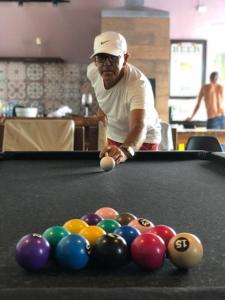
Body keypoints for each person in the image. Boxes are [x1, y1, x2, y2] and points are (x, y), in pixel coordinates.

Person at [87, 31, 161, 165]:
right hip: (114, 135)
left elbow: (139, 125)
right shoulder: (92, 72)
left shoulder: (138, 85)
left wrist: (125, 150)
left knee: (143, 182)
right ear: (95, 61)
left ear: (125, 58)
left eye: (114, 57)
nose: (107, 64)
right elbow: (105, 94)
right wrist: (103, 109)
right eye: (102, 57)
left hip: (144, 140)